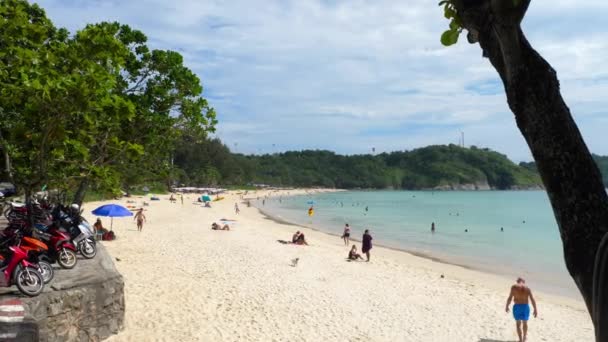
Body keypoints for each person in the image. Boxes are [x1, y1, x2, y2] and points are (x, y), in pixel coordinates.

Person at [506, 277, 538, 342]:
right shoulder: (527, 288)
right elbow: (532, 299)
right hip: (525, 307)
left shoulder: (514, 287)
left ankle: (520, 339)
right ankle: (524, 338)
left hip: (517, 307)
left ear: (517, 281)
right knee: (525, 323)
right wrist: (535, 309)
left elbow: (510, 298)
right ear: (524, 282)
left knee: (518, 324)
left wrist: (507, 306)